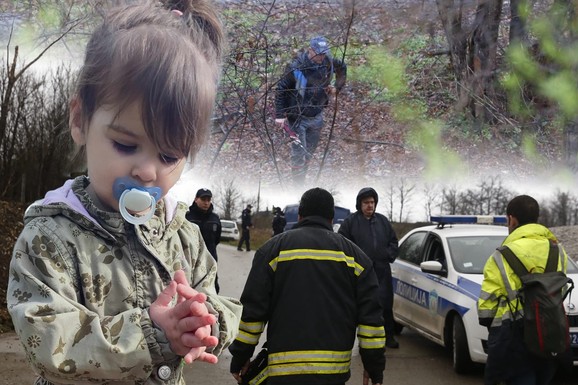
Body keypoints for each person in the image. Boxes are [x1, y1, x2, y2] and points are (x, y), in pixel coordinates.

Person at [6, 2, 242, 384]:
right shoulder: (51, 238)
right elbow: (50, 344)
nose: (147, 171)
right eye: (126, 145)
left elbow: (219, 299)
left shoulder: (181, 234)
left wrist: (201, 324)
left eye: (168, 155)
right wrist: (152, 331)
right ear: (81, 119)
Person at [229, 188, 385, 385]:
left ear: (301, 216)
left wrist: (240, 356)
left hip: (283, 373)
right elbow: (371, 322)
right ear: (331, 219)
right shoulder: (357, 258)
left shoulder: (272, 250)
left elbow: (252, 313)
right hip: (333, 374)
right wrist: (374, 367)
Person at [478, 195, 570, 385]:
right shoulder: (557, 250)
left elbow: (486, 311)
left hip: (513, 338)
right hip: (549, 332)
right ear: (536, 218)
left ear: (512, 219)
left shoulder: (501, 255)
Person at [274, 36, 347, 185]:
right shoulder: (297, 67)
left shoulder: (328, 62)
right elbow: (281, 88)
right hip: (297, 117)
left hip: (317, 114)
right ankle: (298, 187)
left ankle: (303, 178)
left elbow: (342, 68)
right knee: (299, 152)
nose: (322, 57)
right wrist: (280, 115)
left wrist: (337, 87)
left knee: (310, 151)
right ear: (310, 50)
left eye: (324, 53)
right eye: (319, 53)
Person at [339, 187, 400, 349]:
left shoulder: (383, 221)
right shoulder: (351, 222)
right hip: (359, 272)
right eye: (366, 203)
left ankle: (389, 336)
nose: (370, 206)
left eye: (372, 202)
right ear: (360, 204)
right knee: (357, 306)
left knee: (385, 305)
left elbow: (394, 242)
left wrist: (387, 254)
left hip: (381, 270)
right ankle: (351, 340)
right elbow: (342, 244)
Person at [186, 188, 222, 293]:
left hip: (210, 258)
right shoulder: (187, 217)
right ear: (196, 199)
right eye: (203, 199)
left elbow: (217, 239)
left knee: (212, 287)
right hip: (190, 259)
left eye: (208, 200)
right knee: (190, 288)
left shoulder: (215, 218)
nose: (206, 202)